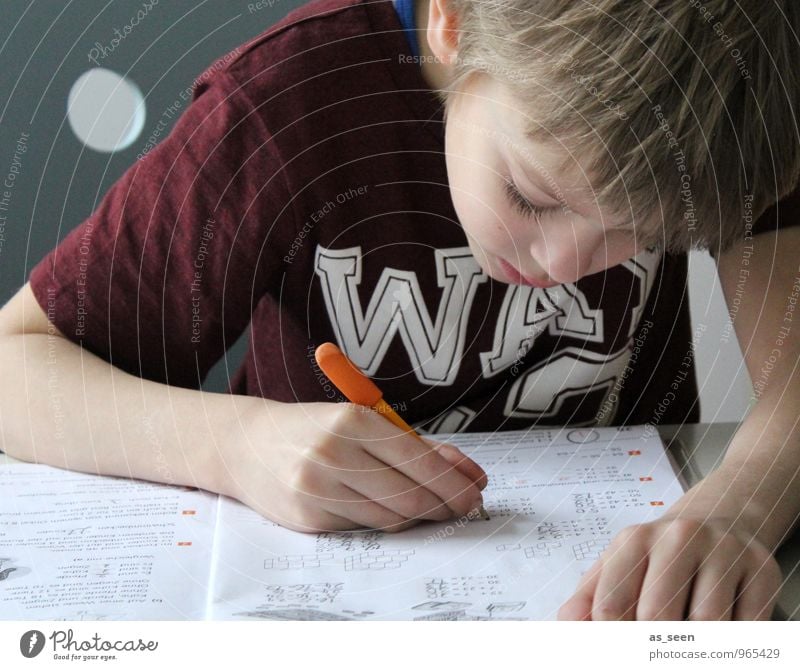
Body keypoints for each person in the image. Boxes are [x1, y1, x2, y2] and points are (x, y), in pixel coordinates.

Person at [1, 0, 798, 620]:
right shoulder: (286, 105)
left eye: (645, 236)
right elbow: (15, 364)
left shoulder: (734, 109)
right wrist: (232, 446)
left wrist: (747, 497)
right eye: (531, 194)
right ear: (453, 22)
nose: (563, 267)